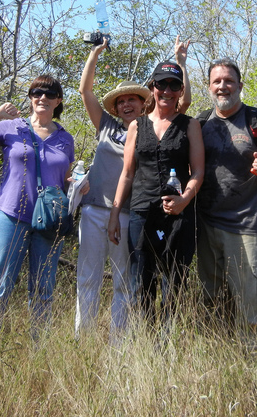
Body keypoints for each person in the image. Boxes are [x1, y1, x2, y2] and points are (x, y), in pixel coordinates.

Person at [76, 37, 192, 341]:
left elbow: (181, 102)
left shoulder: (150, 129)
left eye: (133, 100)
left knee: (124, 281)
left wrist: (180, 62)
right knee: (87, 278)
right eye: (122, 101)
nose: (127, 104)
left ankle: (119, 341)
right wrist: (95, 52)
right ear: (116, 107)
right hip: (95, 209)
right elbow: (85, 91)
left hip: (129, 213)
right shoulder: (107, 127)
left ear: (144, 103)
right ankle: (82, 339)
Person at [0, 75, 75, 337]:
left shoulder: (66, 139)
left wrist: (80, 185)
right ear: (31, 97)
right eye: (36, 92)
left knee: (43, 290)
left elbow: (65, 181)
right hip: (12, 217)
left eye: (49, 93)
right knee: (0, 288)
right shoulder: (10, 127)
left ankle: (38, 354)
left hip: (49, 223)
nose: (42, 97)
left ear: (58, 100)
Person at [196, 58, 257, 350]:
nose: (223, 86)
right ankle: (218, 354)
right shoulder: (200, 123)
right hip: (206, 224)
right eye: (217, 81)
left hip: (247, 226)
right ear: (209, 87)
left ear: (239, 85)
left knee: (252, 301)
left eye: (229, 81)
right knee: (211, 298)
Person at [108, 59, 204, 328]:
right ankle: (146, 346)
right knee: (141, 282)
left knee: (174, 283)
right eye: (162, 84)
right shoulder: (137, 126)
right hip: (141, 212)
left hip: (179, 215)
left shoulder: (190, 125)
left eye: (174, 85)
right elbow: (127, 173)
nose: (168, 90)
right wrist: (115, 213)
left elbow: (197, 172)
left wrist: (184, 199)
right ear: (153, 87)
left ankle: (167, 346)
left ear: (180, 90)